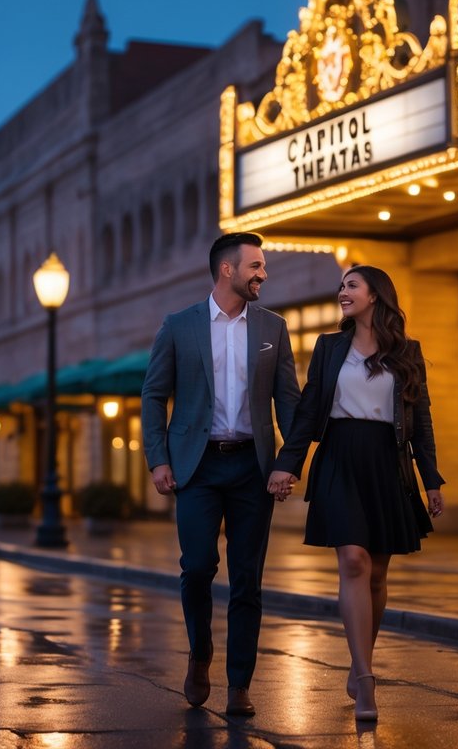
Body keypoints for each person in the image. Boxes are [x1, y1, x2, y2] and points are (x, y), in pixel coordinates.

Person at [269, 264, 444, 721]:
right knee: (353, 560)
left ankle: (358, 660)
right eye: (341, 285)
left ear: (375, 295)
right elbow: (309, 411)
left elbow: (420, 420)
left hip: (388, 462)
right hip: (341, 458)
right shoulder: (329, 348)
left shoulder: (407, 352)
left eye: (352, 285)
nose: (342, 292)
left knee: (379, 575)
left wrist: (431, 479)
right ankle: (366, 678)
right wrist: (288, 465)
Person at [141, 232, 301, 717]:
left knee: (248, 579)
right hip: (198, 465)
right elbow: (153, 395)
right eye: (256, 266)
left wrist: (288, 462)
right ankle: (200, 652)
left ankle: (239, 684)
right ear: (227, 270)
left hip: (253, 466)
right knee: (197, 568)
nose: (263, 274)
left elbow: (288, 400)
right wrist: (159, 458)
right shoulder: (179, 326)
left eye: (264, 266)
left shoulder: (274, 326)